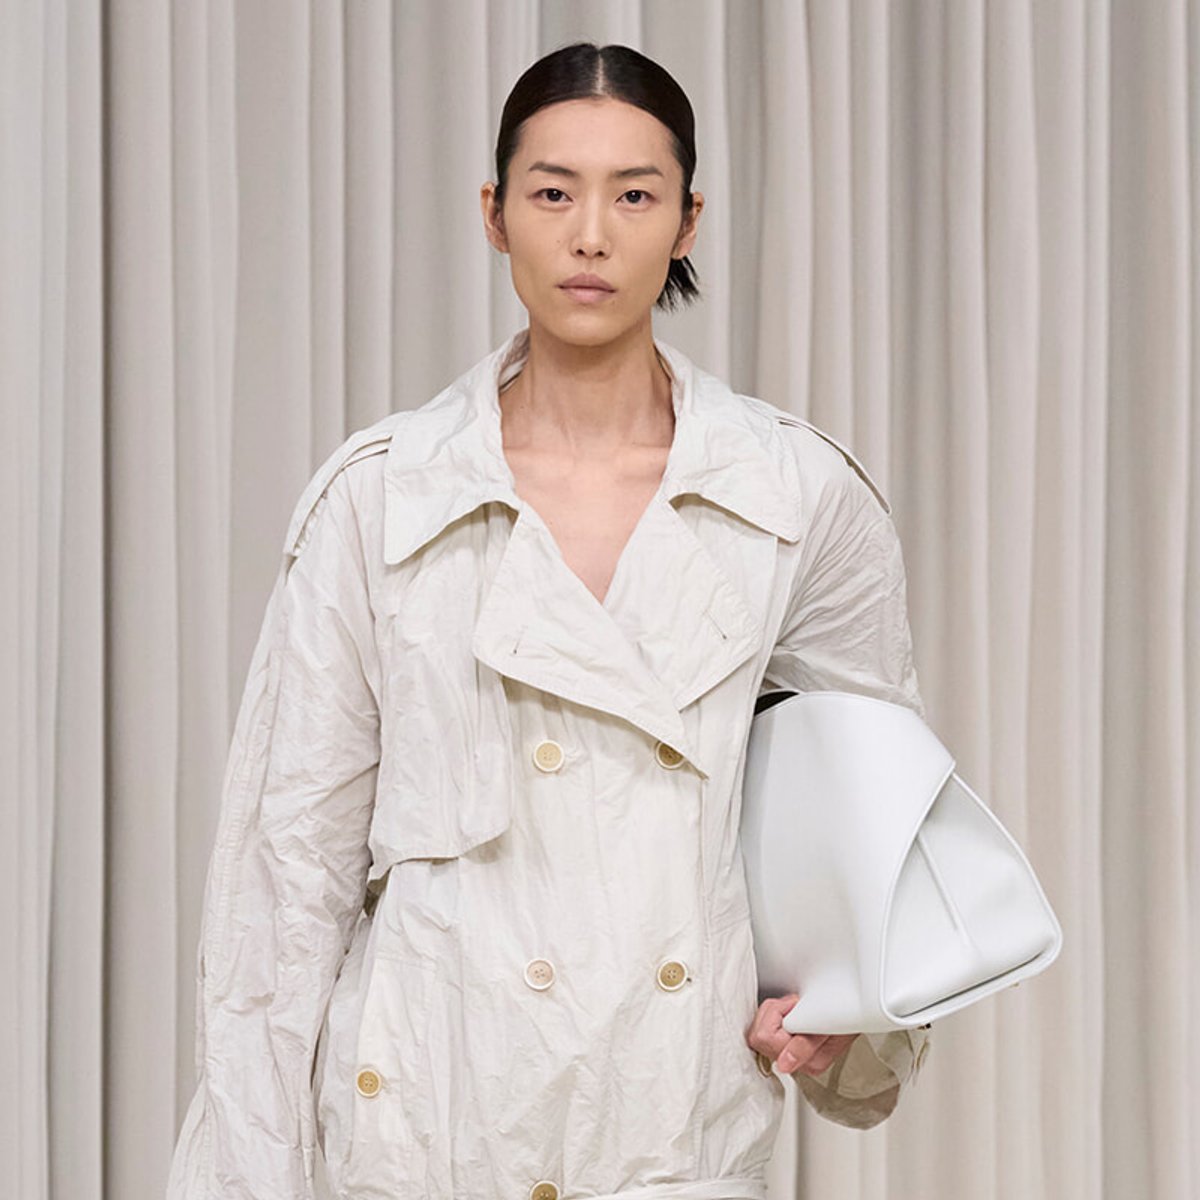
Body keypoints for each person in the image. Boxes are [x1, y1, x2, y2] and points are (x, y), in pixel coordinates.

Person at [167, 40, 931, 1200]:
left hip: (669, 1130)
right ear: (494, 212)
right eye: (552, 192)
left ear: (687, 220)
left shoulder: (796, 494)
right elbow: (284, 887)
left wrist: (851, 1013)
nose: (590, 234)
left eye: (634, 195)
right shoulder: (381, 496)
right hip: (426, 1130)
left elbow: (875, 823)